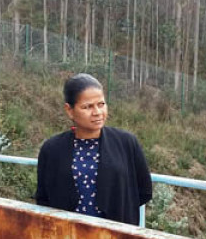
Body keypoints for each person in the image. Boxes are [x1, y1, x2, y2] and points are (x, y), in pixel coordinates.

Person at [35, 73, 153, 225]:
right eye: (87, 107)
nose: (97, 112)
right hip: (67, 237)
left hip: (115, 238)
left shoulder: (126, 143)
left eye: (101, 104)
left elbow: (144, 191)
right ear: (69, 110)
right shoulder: (52, 149)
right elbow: (43, 197)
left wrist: (120, 210)